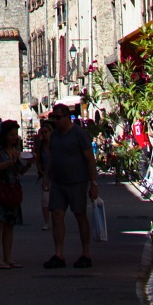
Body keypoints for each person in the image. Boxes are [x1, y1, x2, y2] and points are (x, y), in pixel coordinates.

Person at [44, 102, 99, 269]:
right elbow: (54, 157)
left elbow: (90, 159)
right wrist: (47, 175)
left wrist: (93, 183)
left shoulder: (79, 134)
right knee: (57, 215)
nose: (56, 121)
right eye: (53, 118)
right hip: (59, 182)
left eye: (58, 117)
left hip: (77, 182)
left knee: (80, 215)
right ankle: (59, 254)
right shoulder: (54, 136)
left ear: (67, 117)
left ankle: (86, 254)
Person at [0, 119, 28, 268]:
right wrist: (9, 162)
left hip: (12, 188)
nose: (14, 137)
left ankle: (8, 258)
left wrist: (28, 163)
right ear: (4, 135)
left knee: (10, 224)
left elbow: (20, 171)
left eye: (15, 134)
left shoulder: (15, 148)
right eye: (11, 135)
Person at [34, 117, 54, 230]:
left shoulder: (54, 145)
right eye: (42, 132)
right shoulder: (41, 145)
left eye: (46, 132)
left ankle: (55, 219)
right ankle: (47, 222)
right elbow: (38, 160)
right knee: (45, 199)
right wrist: (41, 171)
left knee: (55, 198)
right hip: (44, 176)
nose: (44, 134)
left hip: (54, 176)